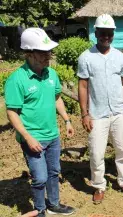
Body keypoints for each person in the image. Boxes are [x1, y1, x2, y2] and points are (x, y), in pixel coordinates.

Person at [4, 28, 75, 217]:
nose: (48, 56)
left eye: (49, 51)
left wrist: (67, 120)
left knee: (54, 172)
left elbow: (57, 98)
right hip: (32, 138)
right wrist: (27, 138)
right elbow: (12, 113)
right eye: (43, 52)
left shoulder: (51, 74)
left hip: (52, 135)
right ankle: (40, 210)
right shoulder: (17, 79)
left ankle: (53, 204)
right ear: (29, 53)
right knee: (40, 177)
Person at [77, 14, 123, 205]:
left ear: (113, 34)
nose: (106, 37)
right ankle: (99, 186)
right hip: (97, 114)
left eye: (109, 33)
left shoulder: (119, 57)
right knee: (96, 153)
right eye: (102, 33)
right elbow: (83, 86)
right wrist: (84, 113)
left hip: (118, 112)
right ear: (96, 33)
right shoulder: (86, 57)